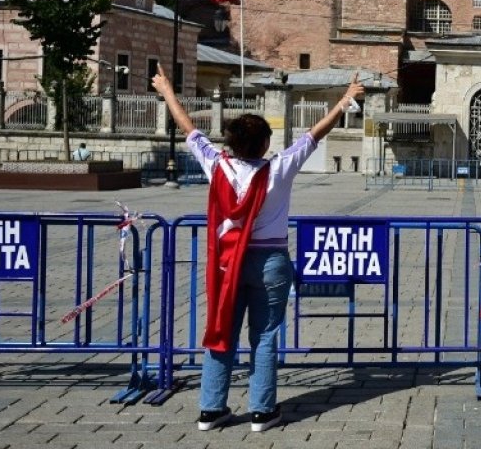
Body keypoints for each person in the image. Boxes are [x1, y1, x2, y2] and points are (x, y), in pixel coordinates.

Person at [152, 64, 362, 432]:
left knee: (222, 331)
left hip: (227, 263)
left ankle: (211, 409)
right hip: (270, 261)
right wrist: (344, 100)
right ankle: (262, 412)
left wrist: (167, 89)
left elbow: (188, 128)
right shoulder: (279, 169)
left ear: (230, 143)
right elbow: (316, 133)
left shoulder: (215, 164)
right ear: (265, 144)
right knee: (264, 337)